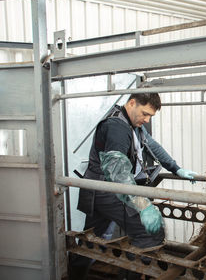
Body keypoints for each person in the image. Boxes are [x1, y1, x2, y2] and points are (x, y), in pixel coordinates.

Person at [69, 92, 196, 279]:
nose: (146, 119)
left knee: (93, 239)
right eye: (145, 113)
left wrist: (176, 168)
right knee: (151, 232)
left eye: (150, 116)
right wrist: (142, 205)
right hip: (107, 189)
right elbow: (117, 171)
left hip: (98, 190)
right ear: (131, 103)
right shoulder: (116, 127)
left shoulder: (132, 124)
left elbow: (153, 146)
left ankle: (74, 275)